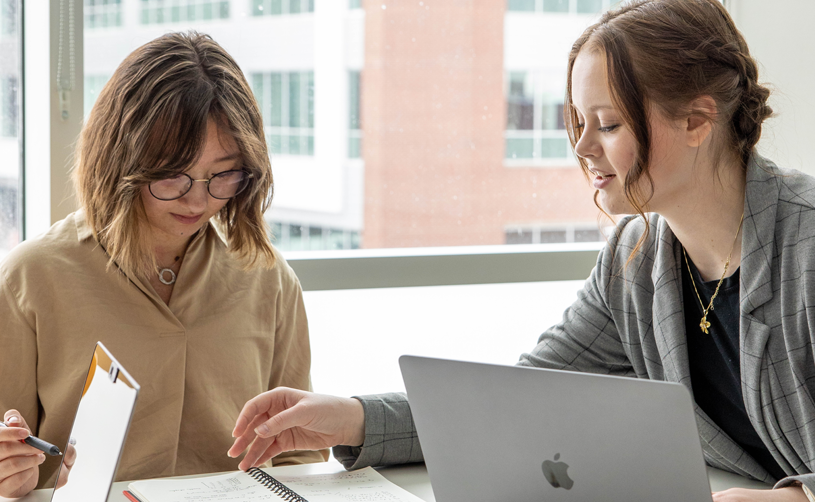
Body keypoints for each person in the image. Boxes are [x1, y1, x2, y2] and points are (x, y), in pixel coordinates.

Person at [228, 0, 815, 500]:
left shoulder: (805, 245)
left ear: (696, 120)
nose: (582, 147)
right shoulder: (635, 260)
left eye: (607, 124)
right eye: (579, 121)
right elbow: (517, 402)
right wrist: (350, 417)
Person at [0, 32, 325, 499]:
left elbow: (300, 457)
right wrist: (11, 477)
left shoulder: (267, 277)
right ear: (119, 158)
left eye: (223, 173)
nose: (198, 198)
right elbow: (9, 450)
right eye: (173, 174)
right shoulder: (31, 278)